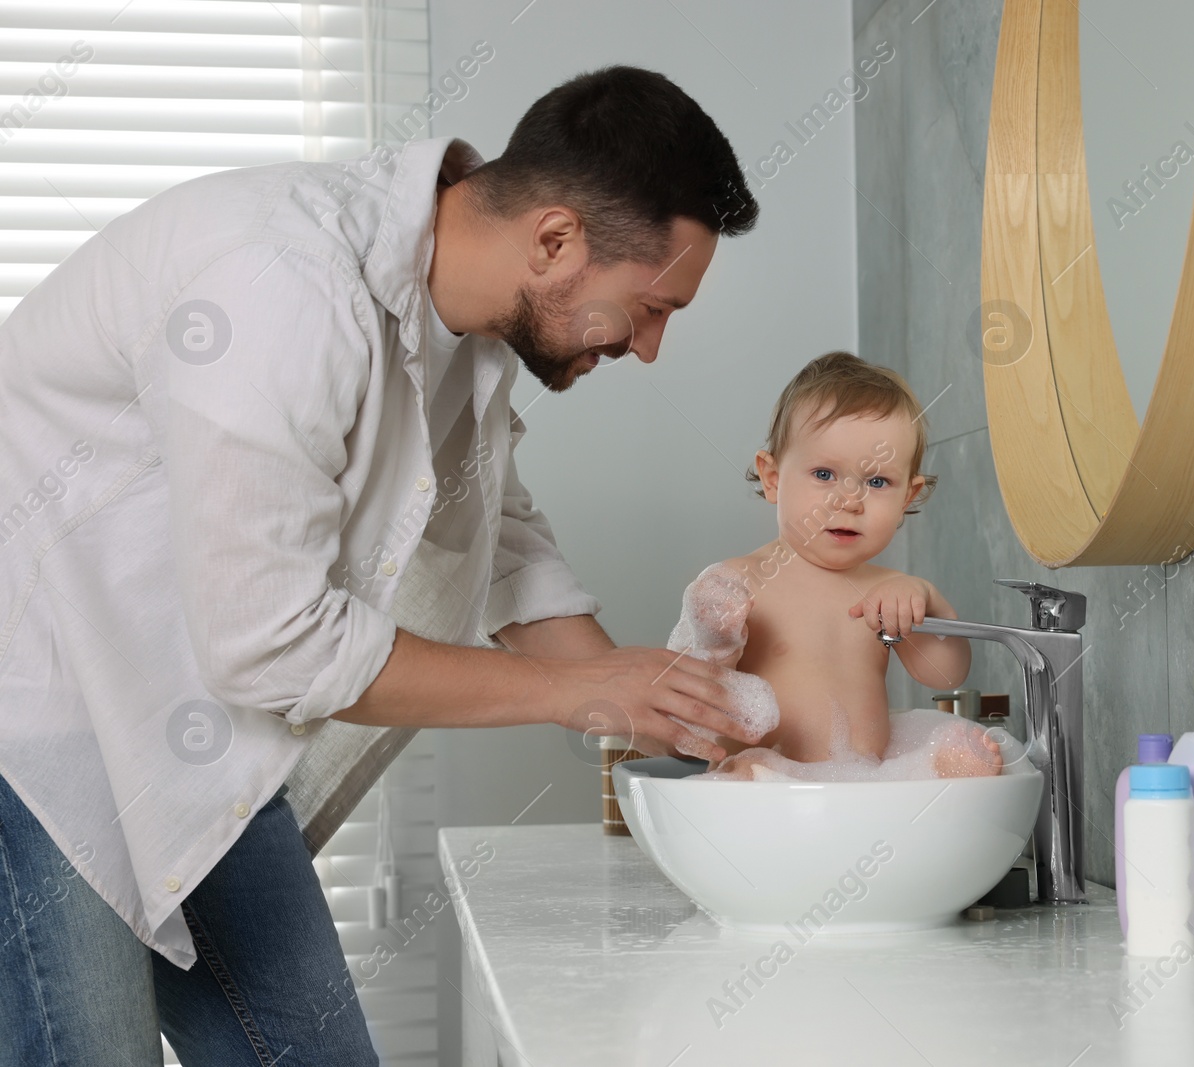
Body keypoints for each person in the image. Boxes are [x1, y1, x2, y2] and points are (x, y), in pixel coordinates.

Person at [0, 65, 762, 1064]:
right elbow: (272, 646)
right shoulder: (283, 289)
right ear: (554, 239)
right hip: (37, 726)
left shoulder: (468, 332)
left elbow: (505, 549)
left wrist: (665, 703)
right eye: (651, 307)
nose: (651, 347)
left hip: (183, 729)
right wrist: (573, 691)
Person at [664, 352, 1004, 781]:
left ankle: (941, 770)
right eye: (824, 474)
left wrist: (928, 601)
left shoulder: (889, 590)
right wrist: (715, 635)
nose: (849, 501)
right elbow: (690, 693)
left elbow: (942, 674)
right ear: (772, 479)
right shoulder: (741, 582)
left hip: (864, 783)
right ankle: (748, 776)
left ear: (908, 497)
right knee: (750, 772)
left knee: (962, 762)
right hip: (766, 783)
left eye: (877, 482)